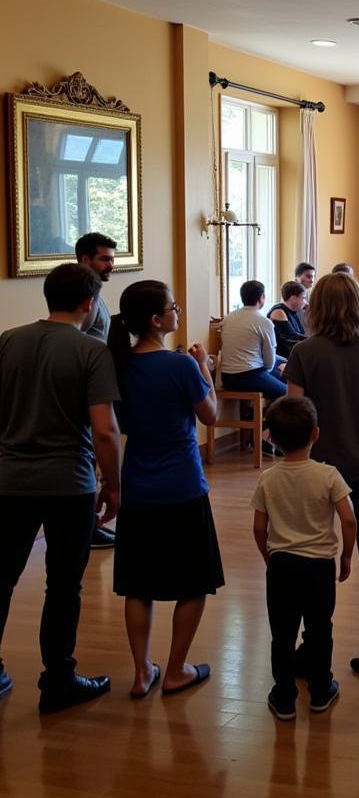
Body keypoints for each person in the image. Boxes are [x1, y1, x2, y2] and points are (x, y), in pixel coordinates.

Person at [0, 264, 121, 713]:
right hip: (69, 482)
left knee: (2, 578)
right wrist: (113, 485)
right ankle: (58, 679)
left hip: (10, 480)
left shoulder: (8, 341)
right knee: (63, 585)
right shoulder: (91, 350)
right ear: (89, 304)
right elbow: (105, 431)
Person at [284, 272, 359, 681]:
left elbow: (293, 415)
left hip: (319, 472)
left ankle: (314, 648)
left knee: (314, 558)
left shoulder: (305, 353)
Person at [108, 281, 222, 698]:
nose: (177, 312)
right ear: (157, 320)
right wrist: (205, 368)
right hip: (183, 486)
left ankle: (142, 672)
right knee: (193, 581)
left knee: (137, 585)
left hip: (138, 485)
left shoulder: (117, 365)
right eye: (173, 307)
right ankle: (175, 669)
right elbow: (211, 416)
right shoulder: (179, 366)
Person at [252, 396, 357, 720]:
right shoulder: (328, 475)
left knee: (282, 633)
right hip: (319, 566)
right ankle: (321, 689)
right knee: (319, 629)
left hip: (282, 565)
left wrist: (269, 556)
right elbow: (349, 519)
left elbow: (259, 527)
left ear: (272, 437)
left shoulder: (268, 478)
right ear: (316, 434)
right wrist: (346, 557)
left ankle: (284, 696)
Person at [76, 231, 119, 549]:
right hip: (85, 386)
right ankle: (86, 527)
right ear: (85, 260)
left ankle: (89, 524)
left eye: (112, 259)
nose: (110, 265)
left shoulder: (95, 294)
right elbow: (77, 341)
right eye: (105, 259)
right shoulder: (82, 298)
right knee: (88, 454)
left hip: (95, 380)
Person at [220, 280, 286, 399]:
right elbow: (269, 364)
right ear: (262, 298)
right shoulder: (264, 322)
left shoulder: (228, 318)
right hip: (249, 376)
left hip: (227, 377)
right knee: (290, 391)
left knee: (283, 366)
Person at [268, 280, 307, 358]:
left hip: (290, 353)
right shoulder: (278, 311)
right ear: (293, 299)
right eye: (303, 298)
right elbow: (291, 337)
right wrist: (315, 340)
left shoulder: (293, 311)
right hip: (280, 357)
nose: (305, 302)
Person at [294, 262, 316, 329]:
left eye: (313, 277)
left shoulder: (310, 294)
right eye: (308, 276)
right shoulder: (290, 294)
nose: (312, 280)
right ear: (297, 277)